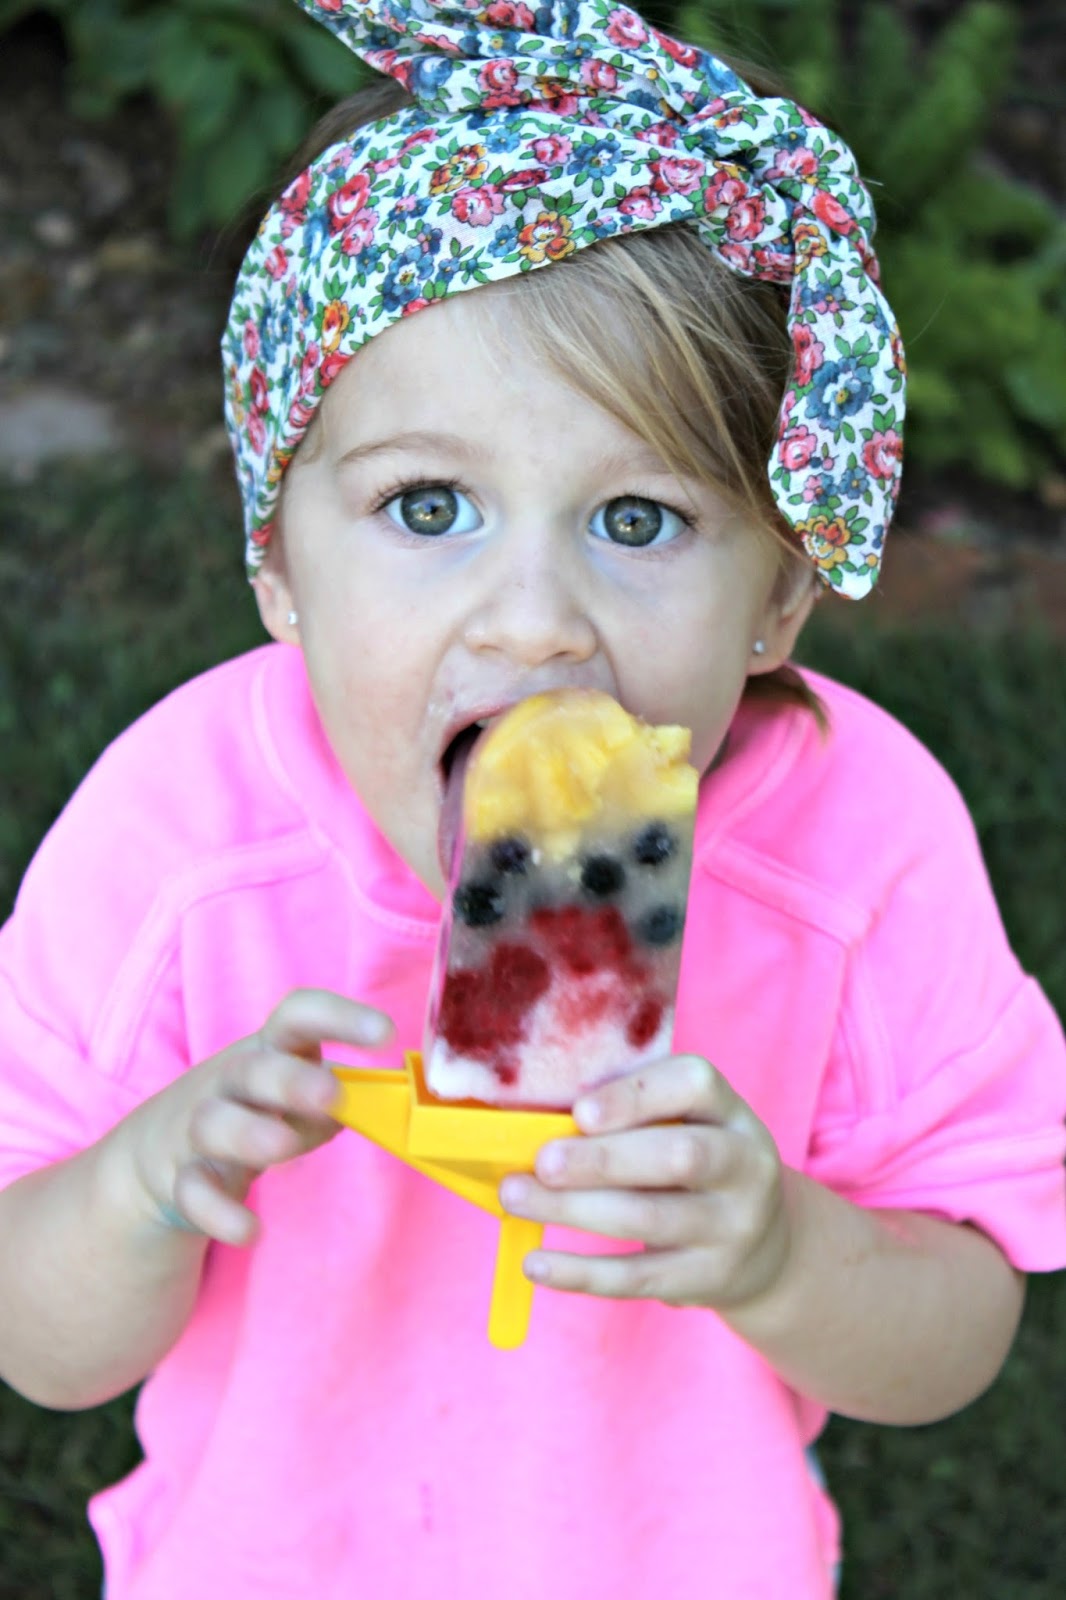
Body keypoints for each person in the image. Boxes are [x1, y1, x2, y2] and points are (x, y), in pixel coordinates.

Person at [1, 1, 1064, 1595]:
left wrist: (785, 1254)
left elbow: (955, 1336)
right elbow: (40, 1349)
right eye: (428, 505)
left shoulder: (859, 857)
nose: (534, 620)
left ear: (778, 595)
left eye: (638, 520)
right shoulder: (180, 843)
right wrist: (143, 1185)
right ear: (276, 557)